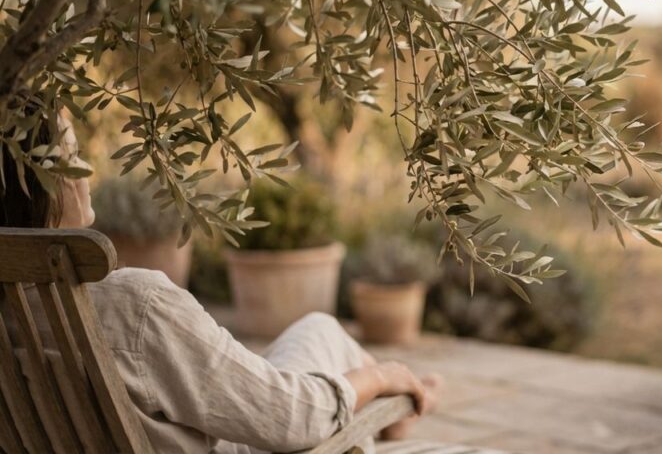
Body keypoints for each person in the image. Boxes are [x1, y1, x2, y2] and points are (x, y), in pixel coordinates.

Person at [0, 114, 441, 454]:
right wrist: (379, 377)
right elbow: (290, 419)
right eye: (71, 155)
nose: (87, 169)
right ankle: (399, 401)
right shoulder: (135, 307)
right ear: (32, 184)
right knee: (325, 348)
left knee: (314, 333)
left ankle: (394, 414)